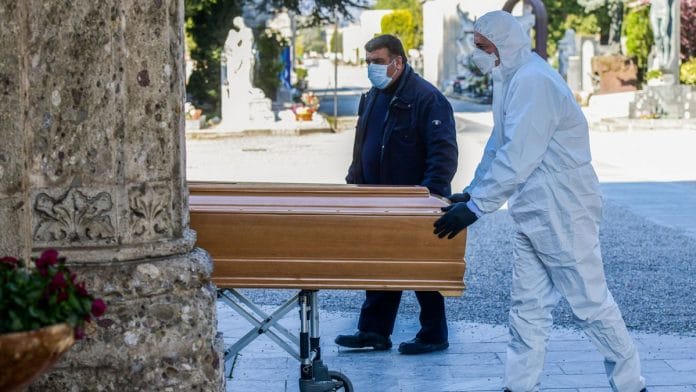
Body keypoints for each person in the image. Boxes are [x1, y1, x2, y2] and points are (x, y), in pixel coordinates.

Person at [432, 11, 647, 392]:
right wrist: (474, 189)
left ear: (503, 46)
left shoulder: (533, 81)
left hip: (563, 209)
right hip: (532, 211)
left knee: (590, 303)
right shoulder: (510, 78)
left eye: (483, 47)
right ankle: (519, 386)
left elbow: (520, 154)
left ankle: (631, 384)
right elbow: (499, 143)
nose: (478, 54)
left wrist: (478, 207)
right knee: (527, 308)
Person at [335, 34, 458, 355]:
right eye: (369, 62)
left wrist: (427, 197)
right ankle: (374, 332)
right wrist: (354, 183)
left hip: (414, 201)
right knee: (379, 264)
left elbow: (443, 154)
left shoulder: (427, 98)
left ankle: (433, 334)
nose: (371, 68)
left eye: (377, 61)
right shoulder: (375, 94)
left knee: (421, 267)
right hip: (376, 198)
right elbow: (364, 142)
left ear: (397, 62)